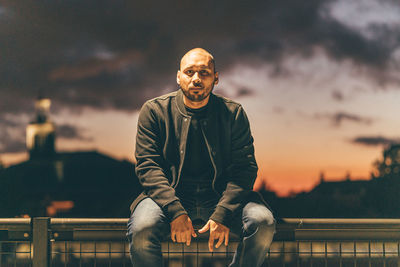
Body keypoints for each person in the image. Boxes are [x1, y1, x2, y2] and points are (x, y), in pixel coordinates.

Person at [127, 48, 275, 267]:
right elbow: (148, 167)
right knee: (141, 231)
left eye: (204, 73)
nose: (196, 78)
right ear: (178, 77)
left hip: (221, 196)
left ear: (215, 78)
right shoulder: (154, 111)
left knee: (263, 223)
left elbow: (244, 168)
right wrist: (176, 211)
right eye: (189, 72)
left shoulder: (233, 113)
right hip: (168, 196)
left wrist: (222, 214)